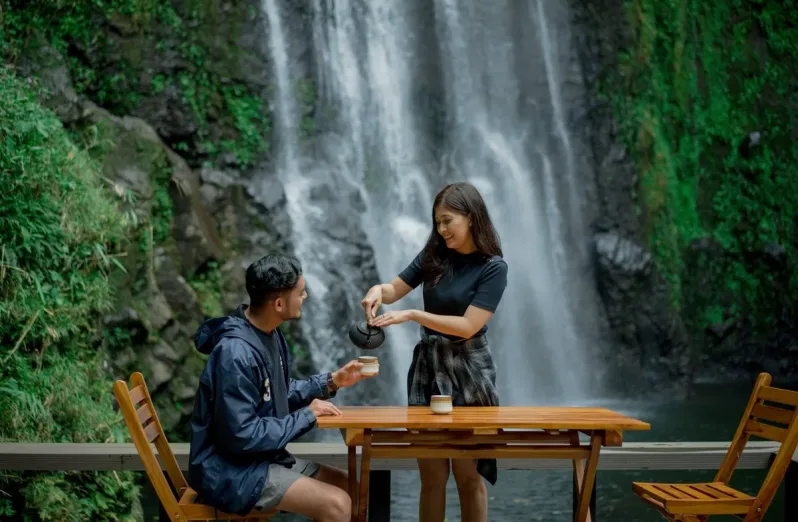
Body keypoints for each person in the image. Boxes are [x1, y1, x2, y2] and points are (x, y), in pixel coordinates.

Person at [188, 253, 375, 522]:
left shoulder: (269, 333)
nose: (306, 296)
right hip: (231, 471)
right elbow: (243, 435)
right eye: (300, 292)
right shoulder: (234, 354)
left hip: (260, 459)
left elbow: (277, 392)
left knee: (352, 489)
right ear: (278, 303)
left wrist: (331, 381)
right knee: (336, 504)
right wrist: (307, 415)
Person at [361, 182, 508, 522]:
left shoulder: (493, 268)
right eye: (437, 222)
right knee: (431, 476)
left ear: (470, 218)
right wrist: (376, 291)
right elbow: (394, 289)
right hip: (428, 368)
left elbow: (468, 326)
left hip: (470, 370)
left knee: (468, 476)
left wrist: (414, 315)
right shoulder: (434, 254)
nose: (441, 230)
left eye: (447, 221)